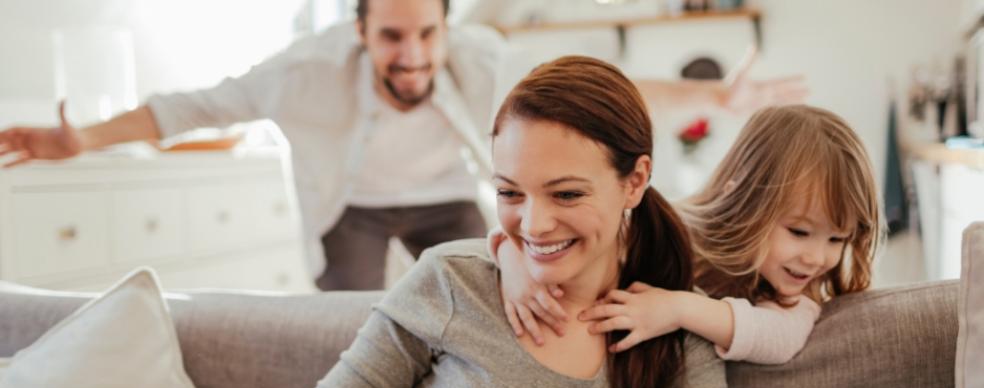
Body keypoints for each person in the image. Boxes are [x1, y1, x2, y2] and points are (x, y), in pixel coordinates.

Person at [261, 55, 738, 388]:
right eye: (510, 192)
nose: (533, 225)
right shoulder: (453, 281)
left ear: (635, 180)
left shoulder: (676, 328)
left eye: (567, 193)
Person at [0, 0, 807, 291]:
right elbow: (189, 109)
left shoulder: (482, 57)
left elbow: (605, 86)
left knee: (492, 286)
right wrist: (85, 140)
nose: (413, 55)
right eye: (392, 36)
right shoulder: (304, 71)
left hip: (442, 192)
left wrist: (714, 96)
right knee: (352, 311)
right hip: (348, 205)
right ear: (360, 32)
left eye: (426, 32)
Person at [490, 104, 881, 364]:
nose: (816, 257)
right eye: (799, 232)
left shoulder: (796, 294)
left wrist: (676, 309)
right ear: (741, 200)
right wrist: (516, 265)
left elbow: (781, 338)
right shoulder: (671, 229)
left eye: (837, 239)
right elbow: (531, 233)